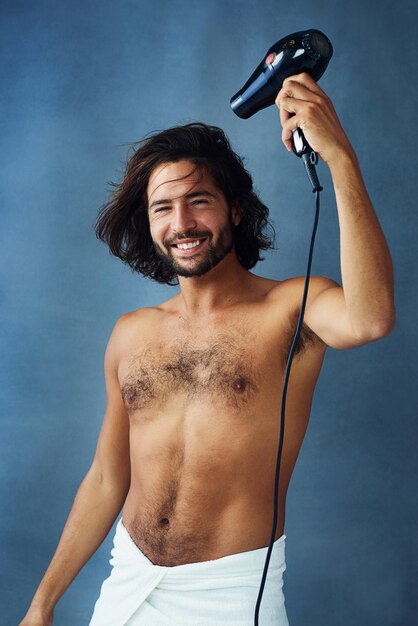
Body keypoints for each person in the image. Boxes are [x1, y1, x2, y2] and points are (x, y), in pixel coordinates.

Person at [20, 72, 395, 626]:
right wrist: (42, 604)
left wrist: (339, 158)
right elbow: (106, 477)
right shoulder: (131, 332)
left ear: (235, 210)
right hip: (128, 585)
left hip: (234, 593)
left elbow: (370, 319)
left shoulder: (292, 308)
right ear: (148, 224)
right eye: (162, 208)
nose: (182, 223)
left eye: (199, 201)